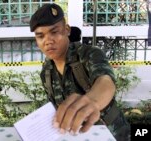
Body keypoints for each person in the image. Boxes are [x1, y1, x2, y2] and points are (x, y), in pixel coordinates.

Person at [29, 3, 130, 141]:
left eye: (54, 32)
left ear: (67, 30)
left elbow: (105, 80)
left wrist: (92, 101)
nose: (48, 41)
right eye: (40, 36)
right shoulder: (46, 71)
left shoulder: (89, 54)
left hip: (111, 133)